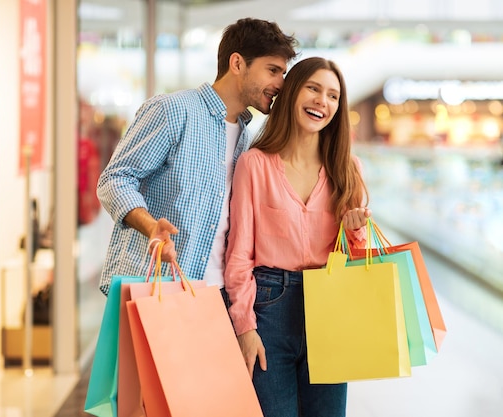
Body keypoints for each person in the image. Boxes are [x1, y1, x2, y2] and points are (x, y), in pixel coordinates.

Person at [96, 18, 298, 295]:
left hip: (212, 295)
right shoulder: (173, 111)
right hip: (156, 289)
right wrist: (151, 227)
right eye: (273, 70)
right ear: (237, 63)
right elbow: (114, 179)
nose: (281, 84)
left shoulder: (245, 138)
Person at [223, 56, 371, 417]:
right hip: (270, 308)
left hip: (331, 305)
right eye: (314, 89)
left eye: (333, 96)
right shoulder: (255, 164)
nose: (323, 101)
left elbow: (359, 257)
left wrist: (356, 231)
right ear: (292, 93)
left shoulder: (347, 169)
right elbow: (239, 253)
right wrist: (244, 327)